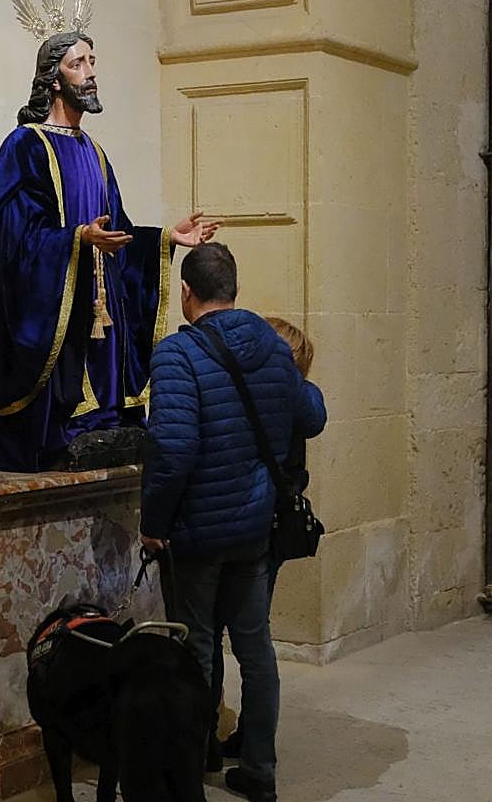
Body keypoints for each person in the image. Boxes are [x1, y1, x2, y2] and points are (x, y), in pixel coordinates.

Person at [0, 26, 217, 472]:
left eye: (92, 62)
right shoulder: (25, 145)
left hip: (102, 307)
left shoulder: (95, 152)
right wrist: (74, 240)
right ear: (54, 79)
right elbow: (7, 234)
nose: (90, 73)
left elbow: (115, 228)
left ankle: (102, 417)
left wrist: (164, 239)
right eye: (77, 64)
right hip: (61, 305)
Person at [139, 243, 326, 802]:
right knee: (255, 647)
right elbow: (311, 417)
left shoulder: (176, 354)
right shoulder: (272, 346)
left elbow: (172, 449)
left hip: (197, 531)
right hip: (254, 528)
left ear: (187, 293)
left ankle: (193, 763)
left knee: (196, 647)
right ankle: (260, 771)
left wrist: (154, 521)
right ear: (235, 289)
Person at [216, 316, 316, 762]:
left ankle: (211, 743)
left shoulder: (271, 399)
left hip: (243, 527)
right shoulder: (299, 402)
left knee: (219, 636)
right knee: (254, 642)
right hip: (269, 530)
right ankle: (256, 748)